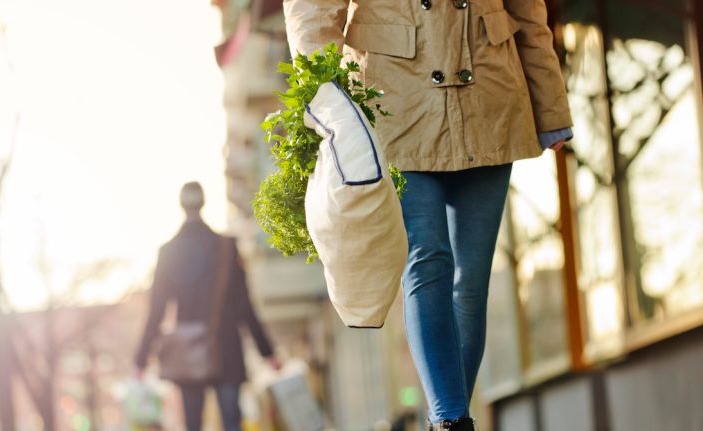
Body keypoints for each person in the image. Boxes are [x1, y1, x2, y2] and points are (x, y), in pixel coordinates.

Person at [283, 1, 573, 430]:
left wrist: (550, 106)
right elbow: (311, 13)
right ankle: (451, 419)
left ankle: (453, 417)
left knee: (471, 282)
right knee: (428, 260)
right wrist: (330, 105)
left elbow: (529, 12)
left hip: (489, 94)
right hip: (393, 102)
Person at [135, 182, 281, 431]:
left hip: (188, 350)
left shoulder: (168, 251)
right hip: (226, 347)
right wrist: (267, 352)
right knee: (231, 422)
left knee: (193, 424)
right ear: (203, 203)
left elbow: (156, 310)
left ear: (182, 206)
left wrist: (140, 358)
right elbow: (245, 305)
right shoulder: (226, 246)